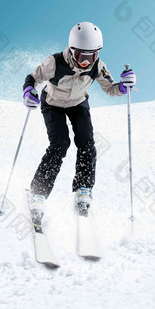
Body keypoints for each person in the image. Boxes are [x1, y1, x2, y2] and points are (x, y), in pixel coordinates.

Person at [22, 22, 136, 223]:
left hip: (78, 104)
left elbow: (110, 88)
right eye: (82, 56)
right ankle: (38, 192)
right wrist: (28, 91)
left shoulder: (98, 66)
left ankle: (83, 189)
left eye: (91, 56)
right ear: (72, 50)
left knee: (87, 143)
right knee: (60, 144)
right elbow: (32, 78)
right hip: (53, 104)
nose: (86, 62)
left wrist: (124, 87)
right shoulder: (54, 62)